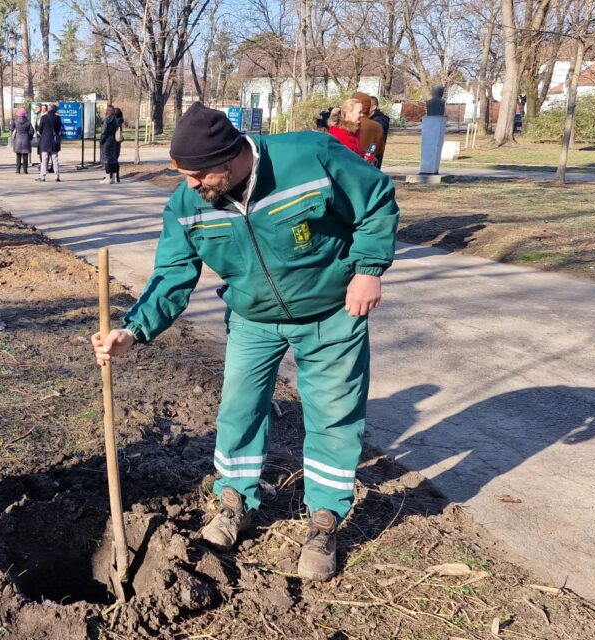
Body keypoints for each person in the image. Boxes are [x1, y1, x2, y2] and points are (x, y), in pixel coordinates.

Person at [90, 102, 398, 582]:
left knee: (333, 414)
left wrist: (368, 270)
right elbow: (172, 275)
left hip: (331, 311)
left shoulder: (311, 157)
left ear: (233, 159)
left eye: (198, 175)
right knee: (239, 408)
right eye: (184, 174)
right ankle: (235, 500)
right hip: (253, 319)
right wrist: (133, 330)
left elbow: (375, 199)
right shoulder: (188, 205)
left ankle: (324, 521)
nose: (190, 185)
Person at [351, 91, 385, 165]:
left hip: (348, 166)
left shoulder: (347, 124)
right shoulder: (378, 126)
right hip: (369, 167)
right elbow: (380, 151)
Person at [36, 103, 62, 182]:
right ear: (55, 110)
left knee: (44, 159)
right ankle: (57, 176)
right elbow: (58, 129)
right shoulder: (58, 118)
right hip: (54, 141)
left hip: (45, 141)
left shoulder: (43, 117)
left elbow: (40, 129)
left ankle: (42, 177)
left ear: (48, 109)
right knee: (55, 159)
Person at [99, 104, 123, 184]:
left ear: (108, 111)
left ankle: (107, 177)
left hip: (106, 141)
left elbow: (104, 132)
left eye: (106, 110)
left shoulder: (107, 120)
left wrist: (101, 141)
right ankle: (113, 178)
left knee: (106, 159)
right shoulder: (115, 119)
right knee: (113, 159)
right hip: (113, 140)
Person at [368, 96, 391, 169]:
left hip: (374, 158)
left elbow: (376, 130)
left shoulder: (381, 120)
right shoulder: (368, 118)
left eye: (366, 105)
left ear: (373, 107)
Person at [10, 107, 34, 174]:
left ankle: (18, 170)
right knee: (25, 156)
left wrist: (12, 124)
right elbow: (32, 131)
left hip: (18, 139)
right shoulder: (28, 122)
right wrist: (30, 137)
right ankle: (25, 170)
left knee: (18, 156)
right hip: (26, 139)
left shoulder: (15, 121)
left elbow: (11, 128)